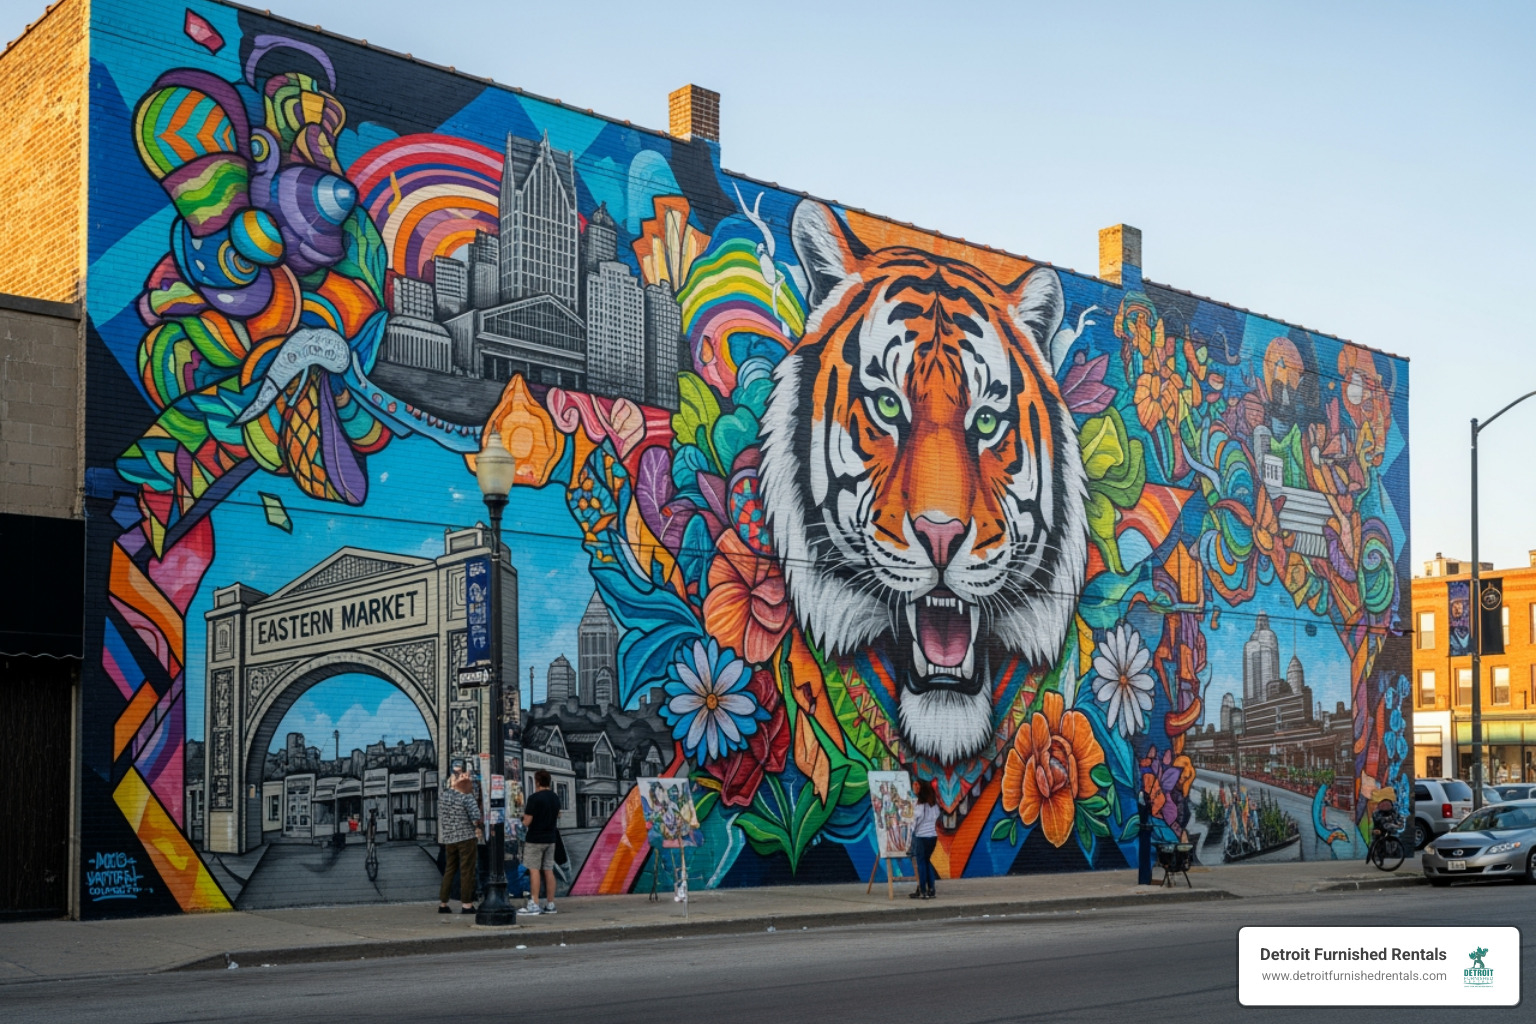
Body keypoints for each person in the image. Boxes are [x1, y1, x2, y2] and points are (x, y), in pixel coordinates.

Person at [437, 769, 482, 914]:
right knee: (467, 871)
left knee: (449, 870)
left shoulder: (443, 797)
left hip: (449, 838)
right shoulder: (466, 797)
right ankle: (467, 904)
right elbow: (475, 817)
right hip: (466, 838)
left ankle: (443, 903)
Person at [520, 770, 561, 916]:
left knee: (534, 869)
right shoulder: (555, 797)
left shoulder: (534, 798)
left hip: (535, 838)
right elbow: (558, 815)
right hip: (550, 838)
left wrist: (520, 818)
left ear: (537, 782)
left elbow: (527, 821)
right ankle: (550, 904)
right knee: (548, 869)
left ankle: (534, 903)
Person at [911, 778, 940, 900]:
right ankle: (931, 889)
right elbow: (937, 816)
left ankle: (923, 890)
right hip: (933, 837)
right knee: (927, 861)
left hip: (921, 837)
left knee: (921, 863)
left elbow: (914, 823)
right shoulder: (934, 805)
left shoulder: (919, 807)